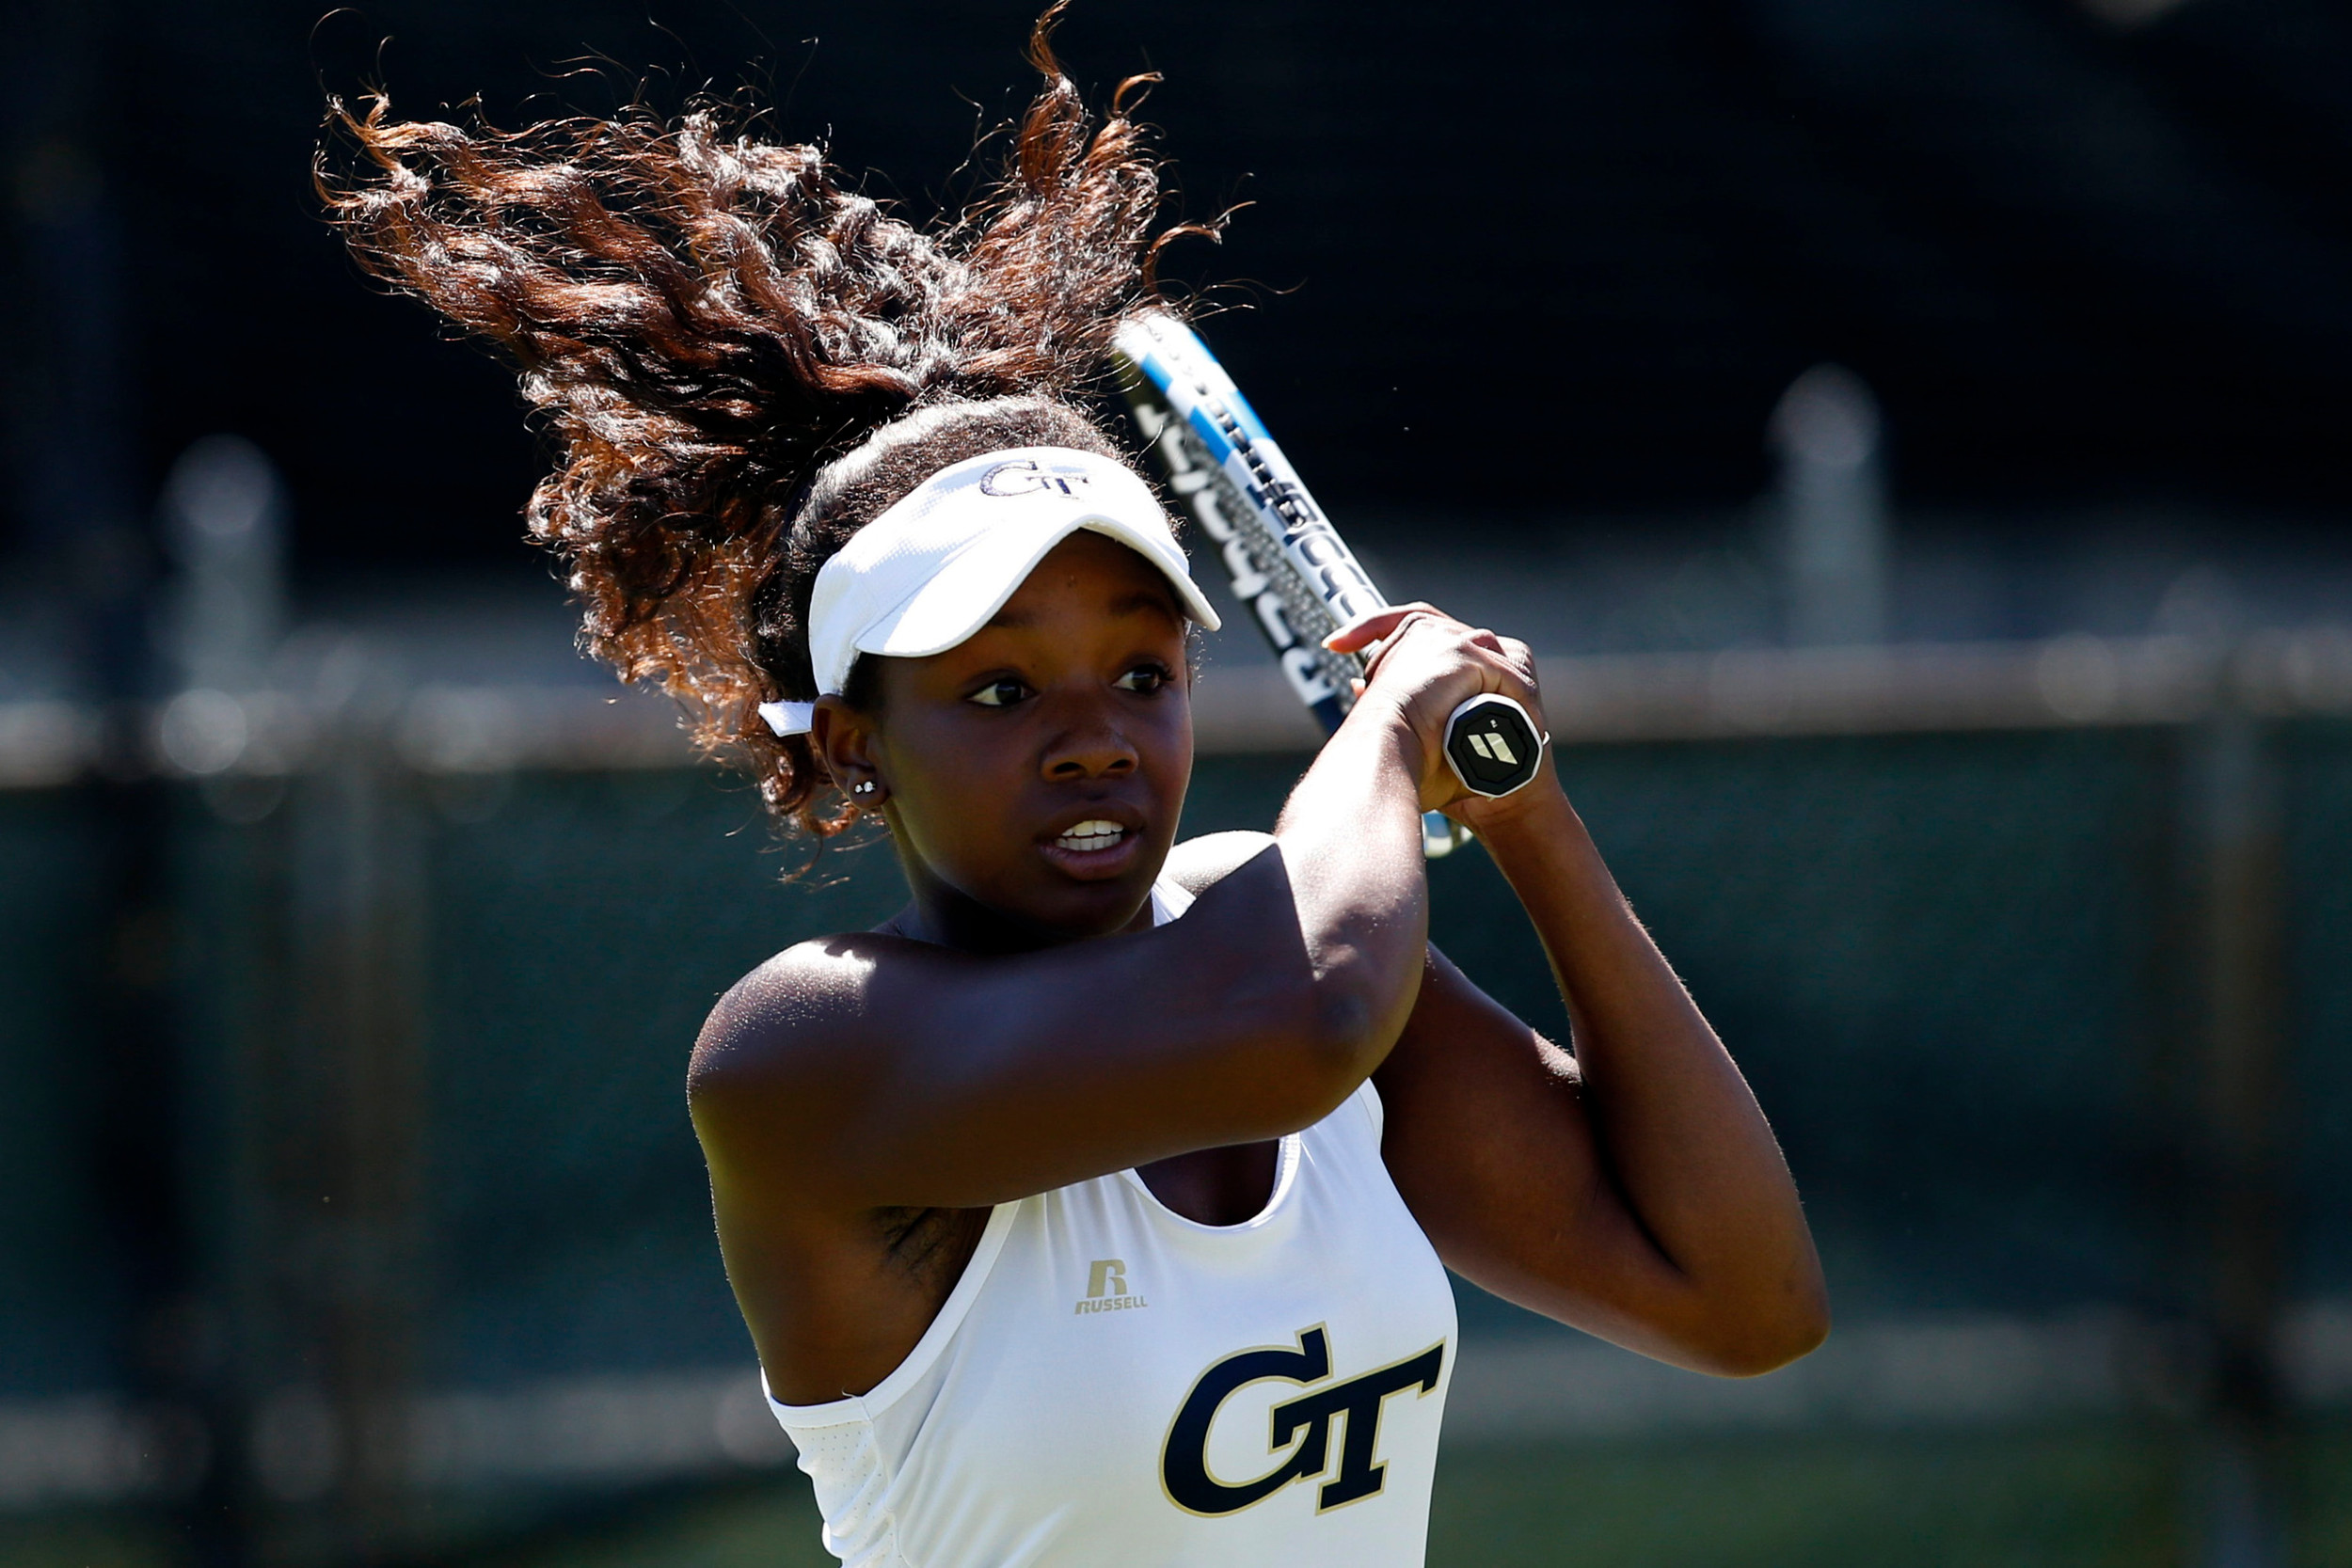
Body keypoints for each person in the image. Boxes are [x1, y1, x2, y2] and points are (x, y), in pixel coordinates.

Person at [323, 12, 1827, 1564]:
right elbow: (1295, 1024)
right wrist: (1385, 735)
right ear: (850, 742)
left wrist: (1531, 820)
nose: (1097, 735)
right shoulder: (800, 1053)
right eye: (996, 689)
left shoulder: (1314, 946)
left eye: (1143, 670)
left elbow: (1744, 1301)